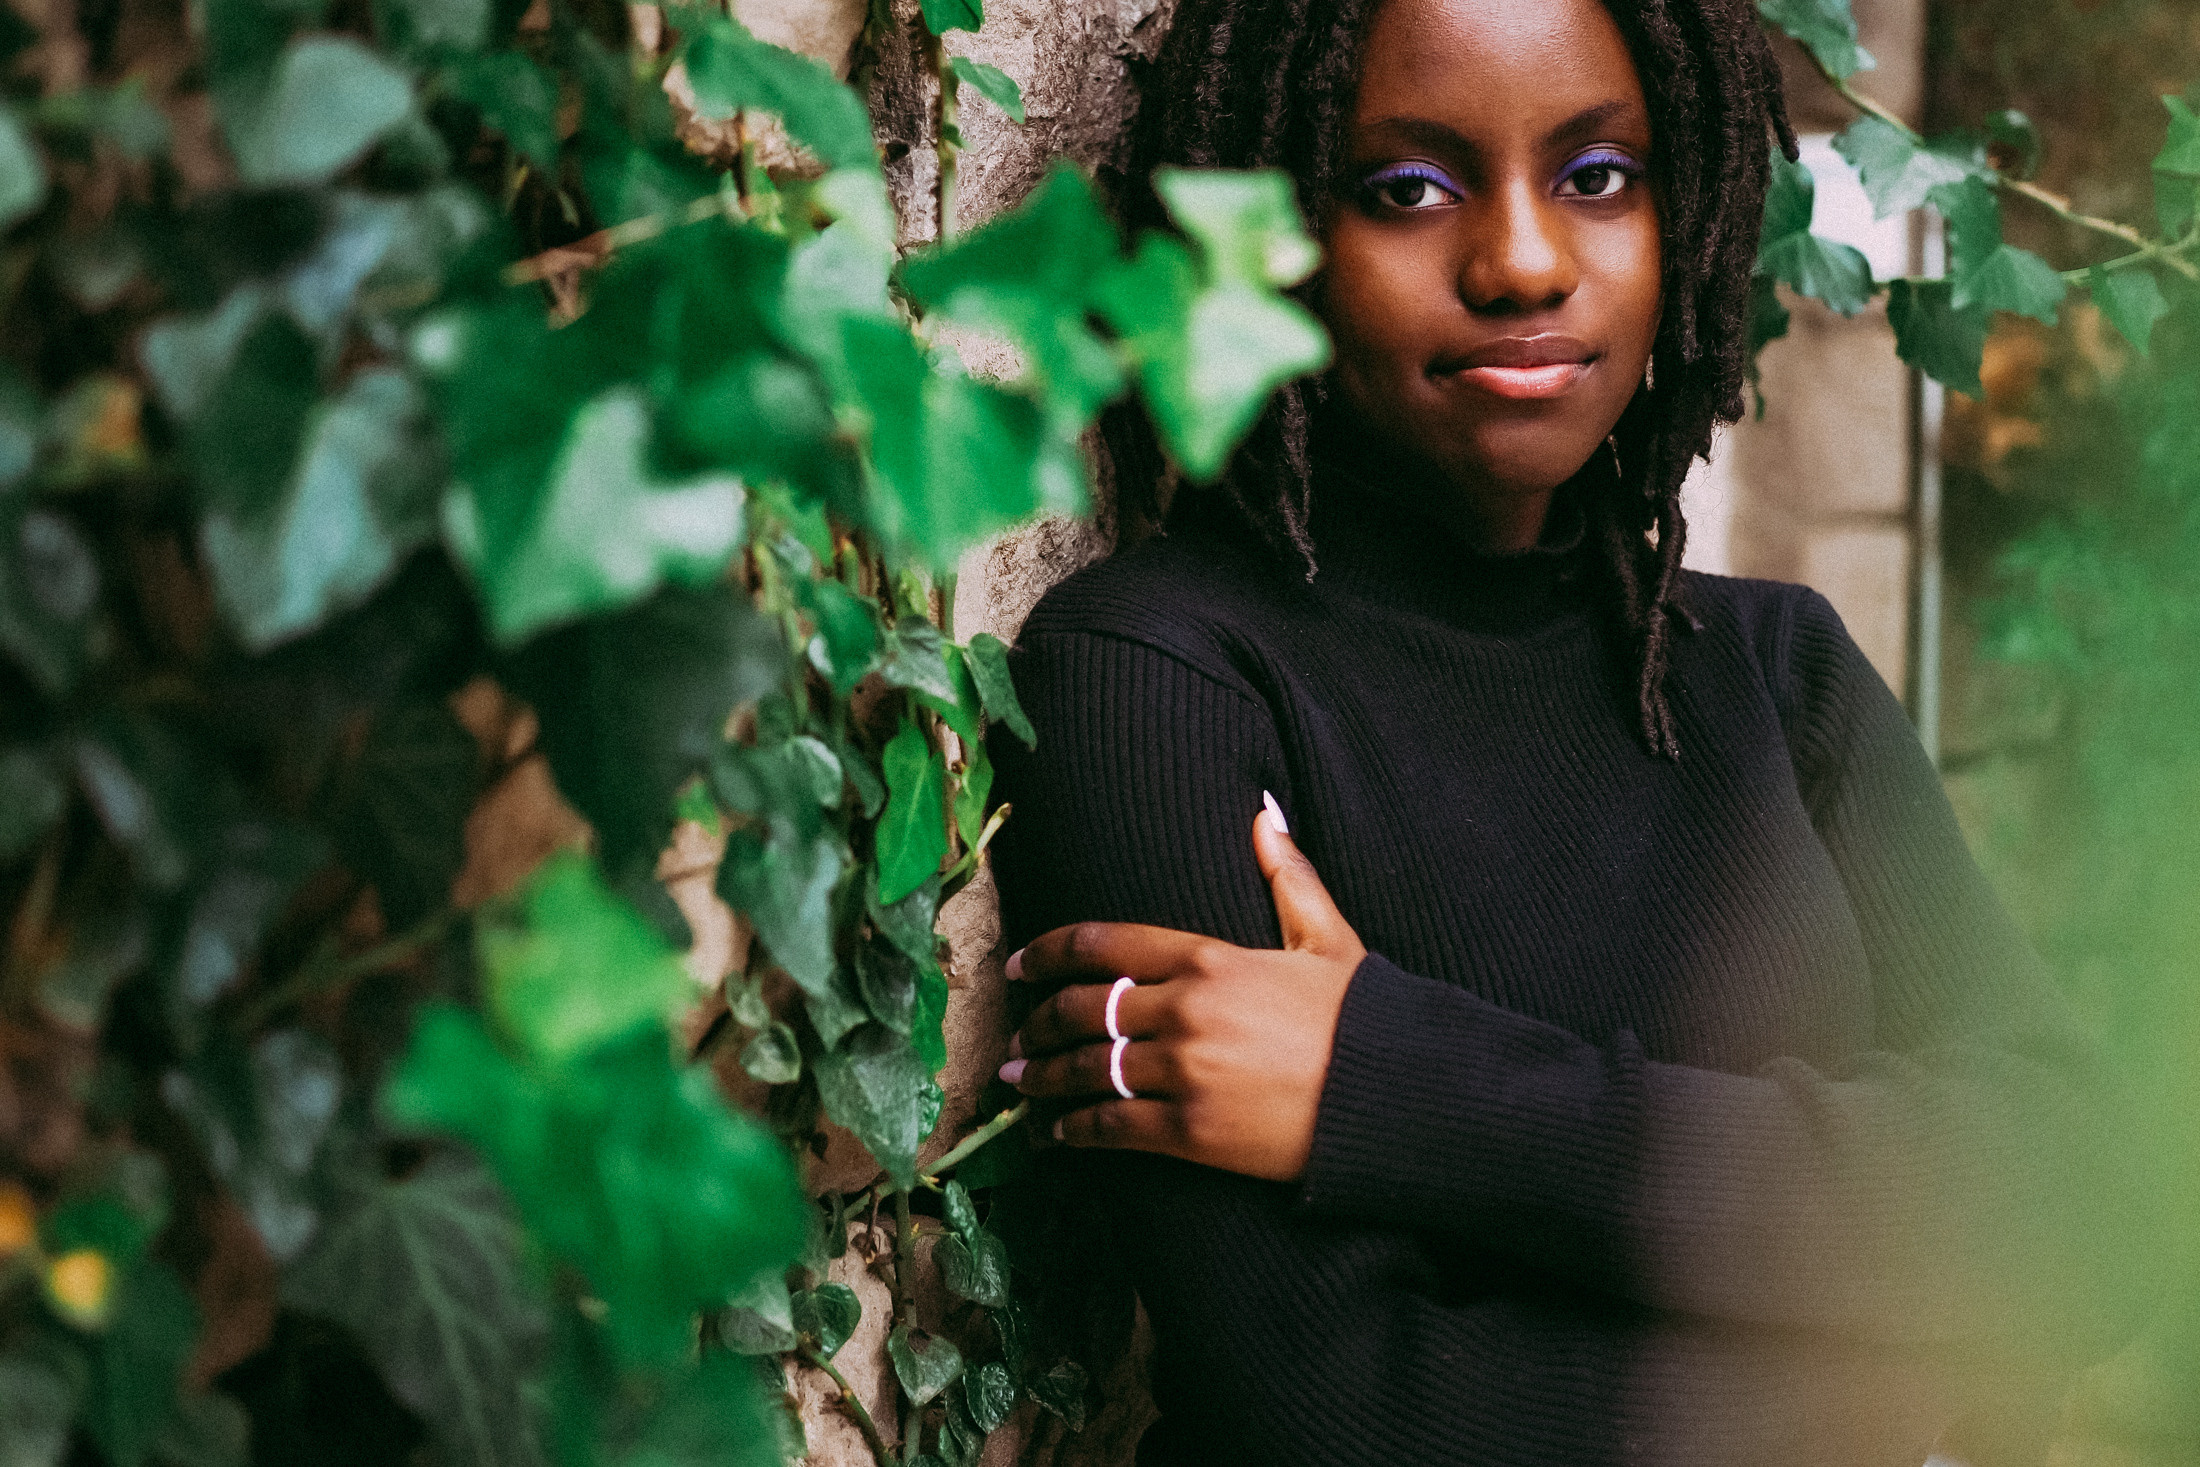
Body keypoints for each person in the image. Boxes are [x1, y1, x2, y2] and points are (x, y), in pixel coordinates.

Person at [984, 0, 2151, 1462]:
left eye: (1600, 176)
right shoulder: (1162, 681)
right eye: (1406, 188)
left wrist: (1400, 1084)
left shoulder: (1771, 673)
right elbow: (1343, 1410)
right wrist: (1901, 1387)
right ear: (1266, 232)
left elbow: (2086, 1204)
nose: (1525, 264)